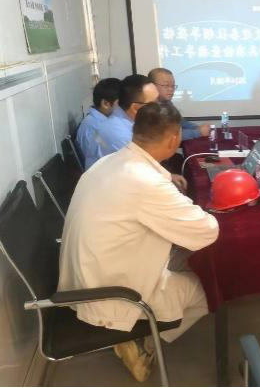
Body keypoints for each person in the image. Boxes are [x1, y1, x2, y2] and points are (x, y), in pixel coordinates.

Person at [58, 103, 219, 382]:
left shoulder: (109, 162)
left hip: (87, 277)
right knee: (210, 290)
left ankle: (141, 335)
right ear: (174, 139)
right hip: (113, 292)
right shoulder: (145, 182)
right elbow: (206, 231)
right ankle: (144, 341)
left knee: (185, 259)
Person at [95, 74, 160, 160]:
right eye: (154, 104)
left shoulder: (124, 120)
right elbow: (146, 163)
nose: (160, 107)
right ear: (135, 108)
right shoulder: (121, 134)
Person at [148, 68, 210, 140]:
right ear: (152, 86)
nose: (171, 89)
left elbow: (181, 122)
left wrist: (198, 128)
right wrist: (198, 132)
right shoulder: (148, 110)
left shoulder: (167, 103)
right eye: (166, 85)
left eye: (173, 85)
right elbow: (167, 137)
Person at [76, 78, 122, 170]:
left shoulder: (101, 122)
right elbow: (109, 155)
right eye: (122, 104)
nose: (125, 108)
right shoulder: (95, 128)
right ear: (105, 104)